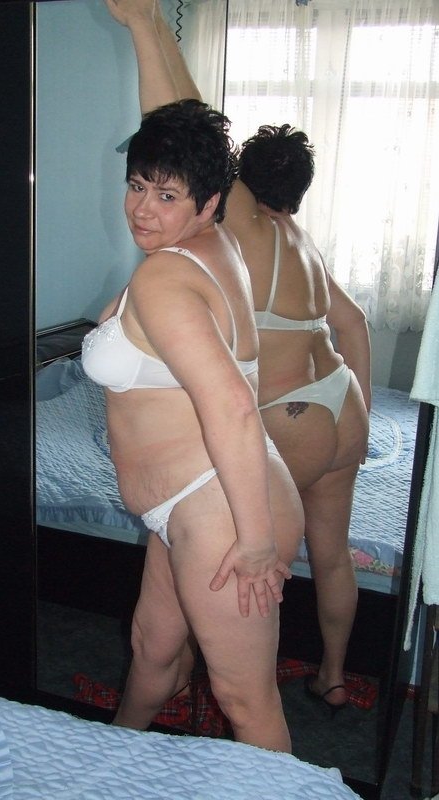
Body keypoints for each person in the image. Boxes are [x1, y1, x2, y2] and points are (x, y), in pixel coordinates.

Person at [104, 0, 371, 712]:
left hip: (281, 421)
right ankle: (334, 675)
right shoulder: (303, 245)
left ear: (229, 188)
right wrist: (366, 409)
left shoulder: (234, 222)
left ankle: (216, 693)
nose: (147, 202)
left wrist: (146, 28)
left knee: (224, 607)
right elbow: (354, 323)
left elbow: (186, 120)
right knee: (333, 555)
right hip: (340, 402)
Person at [82, 98, 304, 751]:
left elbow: (232, 404)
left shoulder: (166, 276)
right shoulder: (215, 246)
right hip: (192, 506)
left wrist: (257, 542)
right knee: (153, 647)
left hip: (221, 512)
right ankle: (115, 760)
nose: (142, 209)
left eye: (167, 195)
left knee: (245, 699)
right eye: (137, 186)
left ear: (209, 203)